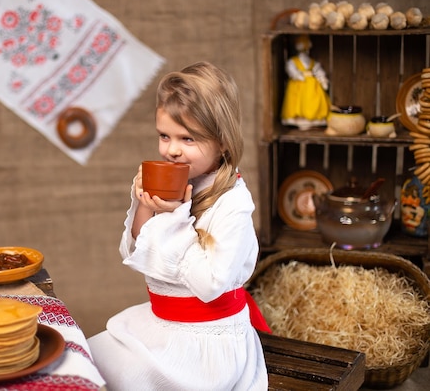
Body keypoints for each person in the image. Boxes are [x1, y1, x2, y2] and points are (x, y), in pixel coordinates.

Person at [88, 61, 270, 390]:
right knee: (88, 360)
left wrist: (174, 218)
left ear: (223, 142)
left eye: (188, 138)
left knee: (124, 379)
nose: (172, 150)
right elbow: (136, 251)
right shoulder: (182, 182)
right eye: (164, 136)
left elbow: (210, 284)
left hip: (206, 342)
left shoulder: (234, 205)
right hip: (162, 322)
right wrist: (145, 204)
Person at [280, 34, 331, 130]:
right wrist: (298, 76)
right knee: (297, 102)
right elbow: (291, 69)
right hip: (299, 84)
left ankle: (312, 118)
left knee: (312, 101)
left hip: (311, 85)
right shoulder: (294, 61)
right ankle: (298, 117)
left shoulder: (312, 62)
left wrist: (322, 79)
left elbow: (318, 70)